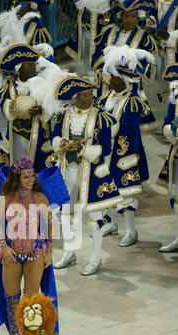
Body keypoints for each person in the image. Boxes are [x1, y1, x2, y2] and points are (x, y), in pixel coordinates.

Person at [48, 76, 123, 274]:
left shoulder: (101, 116)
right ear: (76, 96)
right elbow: (53, 136)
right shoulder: (63, 114)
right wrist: (62, 143)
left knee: (94, 218)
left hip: (90, 175)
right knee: (65, 213)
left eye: (91, 94)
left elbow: (106, 148)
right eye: (84, 95)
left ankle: (96, 258)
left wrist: (84, 150)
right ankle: (69, 252)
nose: (89, 98)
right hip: (66, 170)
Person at [0, 155, 59, 335]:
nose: (31, 180)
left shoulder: (41, 198)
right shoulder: (6, 199)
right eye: (26, 177)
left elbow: (48, 226)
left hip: (35, 254)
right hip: (11, 254)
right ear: (17, 178)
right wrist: (4, 247)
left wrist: (49, 250)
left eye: (32, 176)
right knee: (11, 300)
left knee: (30, 300)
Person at [0, 0, 53, 168]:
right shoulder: (3, 20)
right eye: (20, 2)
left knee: (23, 116)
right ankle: (2, 155)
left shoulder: (36, 24)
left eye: (26, 3)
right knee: (1, 115)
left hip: (25, 81)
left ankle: (24, 158)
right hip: (3, 79)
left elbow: (41, 53)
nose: (22, 5)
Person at [97, 45, 155, 247]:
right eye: (111, 76)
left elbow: (128, 132)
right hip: (104, 151)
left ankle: (131, 231)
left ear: (125, 80)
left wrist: (104, 133)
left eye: (115, 77)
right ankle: (109, 223)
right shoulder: (107, 97)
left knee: (124, 194)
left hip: (124, 155)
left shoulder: (133, 101)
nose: (111, 80)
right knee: (103, 190)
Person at [91, 0, 158, 132]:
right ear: (120, 16)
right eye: (126, 16)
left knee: (127, 126)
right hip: (106, 81)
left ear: (138, 18)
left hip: (129, 84)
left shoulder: (143, 37)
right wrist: (105, 67)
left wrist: (128, 69)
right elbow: (96, 56)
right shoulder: (108, 32)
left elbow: (148, 60)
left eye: (132, 17)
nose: (128, 20)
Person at [0, 43, 55, 175]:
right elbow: (4, 104)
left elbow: (52, 103)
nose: (33, 67)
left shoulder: (43, 83)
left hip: (38, 131)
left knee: (39, 159)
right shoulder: (11, 86)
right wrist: (15, 109)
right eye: (29, 64)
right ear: (19, 68)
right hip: (17, 131)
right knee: (18, 159)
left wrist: (42, 109)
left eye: (33, 64)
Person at [157, 63, 178, 253]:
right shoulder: (176, 93)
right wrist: (169, 132)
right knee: (176, 194)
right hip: (177, 152)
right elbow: (169, 119)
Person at [66, 0, 114, 74]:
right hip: (88, 16)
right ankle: (89, 72)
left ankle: (106, 72)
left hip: (107, 16)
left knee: (107, 44)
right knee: (86, 43)